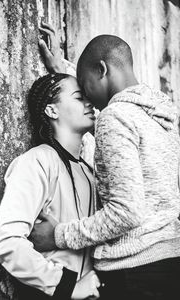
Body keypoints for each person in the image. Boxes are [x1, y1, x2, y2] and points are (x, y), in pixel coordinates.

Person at [31, 22, 180, 299]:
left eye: (84, 88)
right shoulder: (160, 113)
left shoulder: (115, 116)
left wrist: (58, 235)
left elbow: (127, 212)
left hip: (135, 271)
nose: (87, 99)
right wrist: (63, 71)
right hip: (169, 260)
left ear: (101, 70)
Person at [0, 72, 101, 300]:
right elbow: (7, 241)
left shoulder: (89, 172)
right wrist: (66, 286)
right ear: (51, 110)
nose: (89, 103)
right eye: (79, 97)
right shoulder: (38, 161)